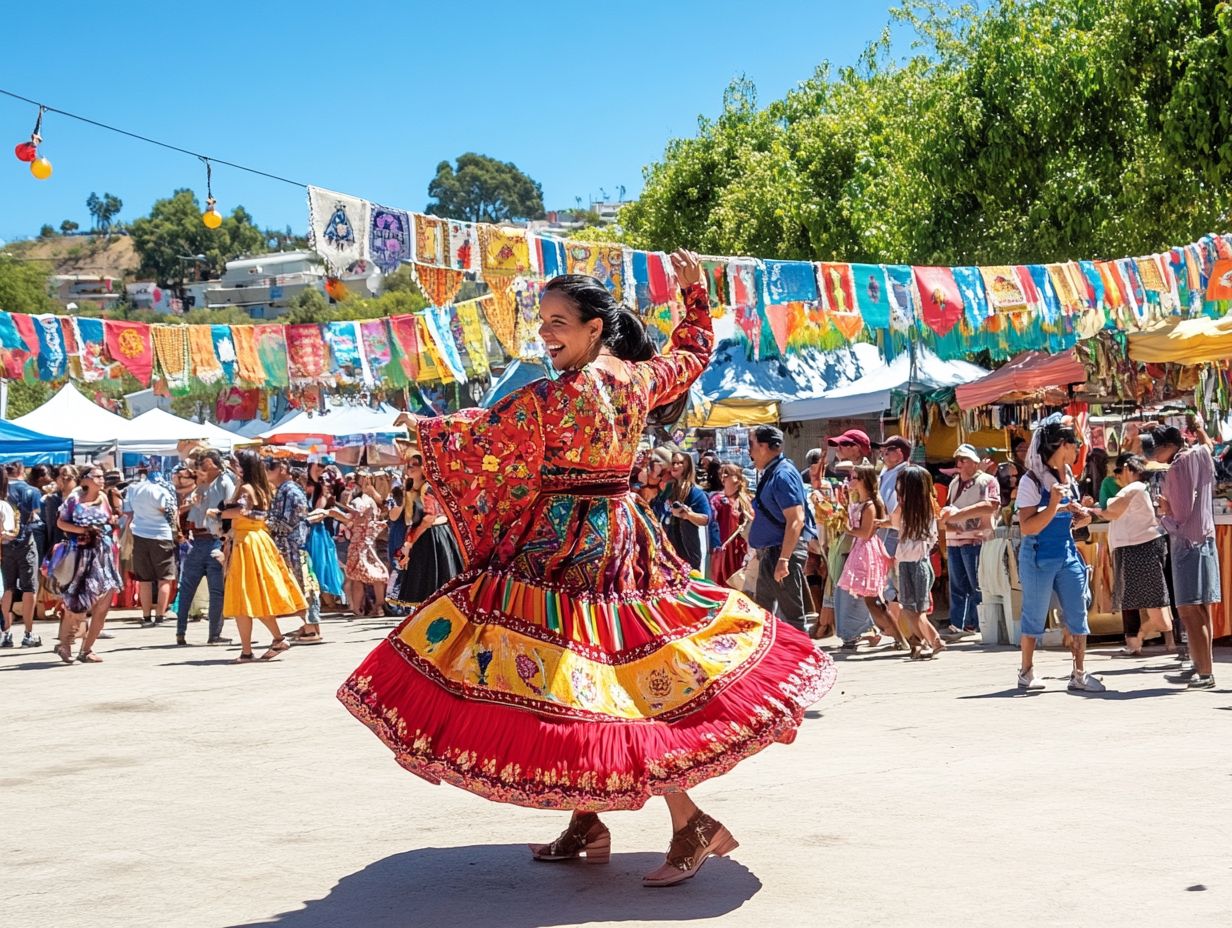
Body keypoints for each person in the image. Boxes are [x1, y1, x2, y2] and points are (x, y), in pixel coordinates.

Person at [340, 252, 833, 888]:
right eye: (542, 321)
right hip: (623, 534)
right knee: (578, 681)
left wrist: (421, 429)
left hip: (566, 545)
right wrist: (694, 295)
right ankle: (588, 818)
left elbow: (480, 439)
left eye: (558, 322)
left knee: (610, 684)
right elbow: (693, 351)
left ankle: (692, 822)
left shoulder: (550, 398)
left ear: (594, 328)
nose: (546, 333)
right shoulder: (637, 380)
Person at [1015, 416, 1104, 693]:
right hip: (1039, 554)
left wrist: (1082, 515)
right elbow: (1028, 527)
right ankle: (1026, 671)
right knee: (1034, 614)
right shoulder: (1031, 480)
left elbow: (1072, 518)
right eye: (1075, 443)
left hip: (1066, 552)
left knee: (1078, 612)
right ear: (1063, 445)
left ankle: (1079, 673)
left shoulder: (1069, 476)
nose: (1079, 449)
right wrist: (1054, 505)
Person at [216, 450, 307, 663]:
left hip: (247, 544)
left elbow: (244, 511)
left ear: (244, 467)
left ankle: (265, 643)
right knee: (250, 597)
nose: (233, 466)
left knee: (246, 595)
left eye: (236, 464)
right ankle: (254, 648)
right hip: (256, 541)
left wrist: (219, 513)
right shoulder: (261, 487)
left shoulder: (247, 488)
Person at [1152, 423, 1221, 689]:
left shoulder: (1178, 468)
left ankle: (1204, 672)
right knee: (1201, 610)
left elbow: (1179, 517)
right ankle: (1201, 666)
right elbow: (1208, 446)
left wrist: (1164, 512)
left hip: (1187, 545)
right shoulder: (1199, 455)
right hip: (1205, 541)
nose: (1154, 453)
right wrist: (1201, 428)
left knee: (1190, 612)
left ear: (1169, 446)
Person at [1100, 453, 1174, 656]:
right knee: (1155, 603)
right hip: (1144, 546)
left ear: (1128, 470)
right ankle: (1149, 643)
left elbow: (1110, 510)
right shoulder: (1145, 488)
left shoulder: (1135, 488)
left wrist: (1091, 510)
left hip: (1139, 549)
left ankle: (1140, 638)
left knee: (1156, 608)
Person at [749, 425, 820, 634]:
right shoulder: (774, 472)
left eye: (751, 445)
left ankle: (804, 659)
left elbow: (796, 519)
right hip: (772, 552)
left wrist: (784, 559)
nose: (749, 452)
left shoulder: (782, 475)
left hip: (781, 551)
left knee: (792, 616)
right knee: (764, 613)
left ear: (763, 447)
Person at [52, 466, 122, 664]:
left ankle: (87, 649)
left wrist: (112, 521)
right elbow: (61, 523)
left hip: (104, 555)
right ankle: (65, 644)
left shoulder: (105, 497)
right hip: (82, 556)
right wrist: (82, 529)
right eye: (97, 476)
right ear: (85, 480)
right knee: (77, 603)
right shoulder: (74, 500)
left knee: (103, 605)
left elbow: (109, 520)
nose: (102, 480)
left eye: (102, 476)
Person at [837, 464, 905, 649]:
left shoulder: (870, 505)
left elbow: (866, 533)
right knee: (871, 600)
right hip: (860, 550)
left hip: (866, 551)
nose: (850, 480)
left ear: (863, 481)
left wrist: (846, 527)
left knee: (874, 600)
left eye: (854, 478)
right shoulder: (861, 502)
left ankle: (900, 638)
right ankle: (891, 636)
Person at [174, 450, 234, 647]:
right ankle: (213, 635)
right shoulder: (219, 483)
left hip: (199, 542)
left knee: (188, 589)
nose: (203, 469)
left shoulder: (205, 485)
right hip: (213, 540)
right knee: (215, 591)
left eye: (206, 465)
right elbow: (230, 510)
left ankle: (181, 632)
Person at [940, 444, 1001, 639]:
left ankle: (978, 623)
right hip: (955, 539)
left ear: (975, 462)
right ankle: (959, 623)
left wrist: (959, 515)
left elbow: (991, 505)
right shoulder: (954, 483)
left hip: (976, 539)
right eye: (958, 460)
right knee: (957, 585)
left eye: (963, 459)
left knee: (977, 584)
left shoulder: (987, 481)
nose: (959, 464)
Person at [392, 452, 463, 608]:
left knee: (433, 583)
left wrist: (410, 543)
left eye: (414, 466)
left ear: (424, 468)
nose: (410, 469)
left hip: (432, 537)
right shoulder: (411, 489)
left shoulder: (428, 488)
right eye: (408, 465)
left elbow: (428, 519)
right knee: (425, 586)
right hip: (424, 537)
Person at [266, 459, 325, 644]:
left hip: (291, 547)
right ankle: (310, 627)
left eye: (269, 468)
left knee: (301, 586)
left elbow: (291, 520)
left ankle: (310, 630)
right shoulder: (286, 489)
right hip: (290, 546)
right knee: (302, 586)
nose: (266, 472)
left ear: (282, 469)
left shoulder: (289, 490)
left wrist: (262, 524)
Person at [891, 465, 946, 660]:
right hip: (913, 563)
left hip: (915, 564)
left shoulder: (917, 509)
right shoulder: (921, 509)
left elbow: (894, 520)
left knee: (915, 610)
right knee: (911, 609)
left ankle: (934, 640)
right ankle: (926, 642)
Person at [123, 469, 178, 628]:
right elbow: (170, 512)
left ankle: (146, 616)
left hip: (139, 534)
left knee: (144, 579)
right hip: (162, 535)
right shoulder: (163, 489)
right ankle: (160, 616)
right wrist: (175, 531)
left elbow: (128, 511)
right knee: (164, 578)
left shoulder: (133, 489)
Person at [334, 472, 390, 618]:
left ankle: (374, 607)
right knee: (363, 575)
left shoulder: (362, 500)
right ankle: (366, 608)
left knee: (370, 574)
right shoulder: (370, 500)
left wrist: (343, 508)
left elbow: (357, 518)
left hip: (361, 542)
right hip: (366, 541)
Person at [1, 461, 44, 648]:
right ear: (20, 470)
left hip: (4, 545)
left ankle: (6, 633)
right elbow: (35, 515)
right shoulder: (31, 491)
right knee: (29, 588)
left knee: (8, 587)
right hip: (25, 542)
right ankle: (28, 633)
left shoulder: (3, 491)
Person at [663, 452, 712, 572]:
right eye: (673, 462)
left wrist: (687, 515)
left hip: (687, 550)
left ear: (687, 466)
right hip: (668, 547)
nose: (675, 465)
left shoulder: (695, 492)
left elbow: (706, 519)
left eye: (679, 463)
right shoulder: (668, 489)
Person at [709, 463, 751, 588]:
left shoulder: (745, 500)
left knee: (739, 585)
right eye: (722, 472)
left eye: (728, 473)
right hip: (722, 550)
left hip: (740, 551)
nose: (724, 475)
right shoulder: (716, 499)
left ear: (738, 479)